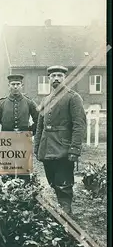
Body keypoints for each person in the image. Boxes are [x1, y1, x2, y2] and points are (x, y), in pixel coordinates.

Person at [34, 65, 86, 214]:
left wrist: (75, 149)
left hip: (64, 148)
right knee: (52, 181)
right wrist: (37, 147)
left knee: (63, 183)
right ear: (49, 79)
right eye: (53, 76)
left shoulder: (73, 97)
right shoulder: (46, 99)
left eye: (59, 75)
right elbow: (40, 126)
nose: (56, 78)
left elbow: (79, 125)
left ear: (65, 78)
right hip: (47, 147)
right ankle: (62, 207)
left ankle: (66, 211)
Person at [0, 73, 39, 181]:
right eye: (13, 84)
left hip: (23, 141)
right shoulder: (2, 103)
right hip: (6, 142)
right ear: (8, 86)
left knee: (24, 170)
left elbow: (39, 120)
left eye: (18, 84)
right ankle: (8, 195)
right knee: (8, 170)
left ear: (22, 85)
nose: (15, 87)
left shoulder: (29, 102)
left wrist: (30, 132)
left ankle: (24, 194)